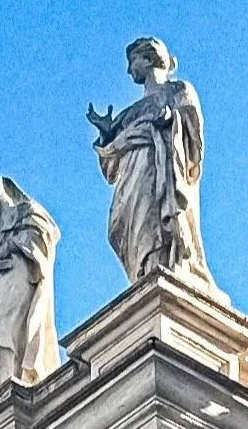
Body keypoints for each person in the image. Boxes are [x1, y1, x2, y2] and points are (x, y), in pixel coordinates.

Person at [89, 40, 220, 292]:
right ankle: (144, 274)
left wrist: (172, 121)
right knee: (122, 226)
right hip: (133, 174)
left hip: (162, 168)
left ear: (149, 59)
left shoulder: (178, 90)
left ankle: (161, 266)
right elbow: (110, 159)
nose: (129, 71)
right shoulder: (129, 112)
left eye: (133, 61)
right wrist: (107, 133)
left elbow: (194, 134)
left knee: (156, 221)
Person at [0, 177, 61, 398]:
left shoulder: (27, 214)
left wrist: (9, 246)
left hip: (21, 279)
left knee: (17, 330)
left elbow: (43, 237)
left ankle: (21, 375)